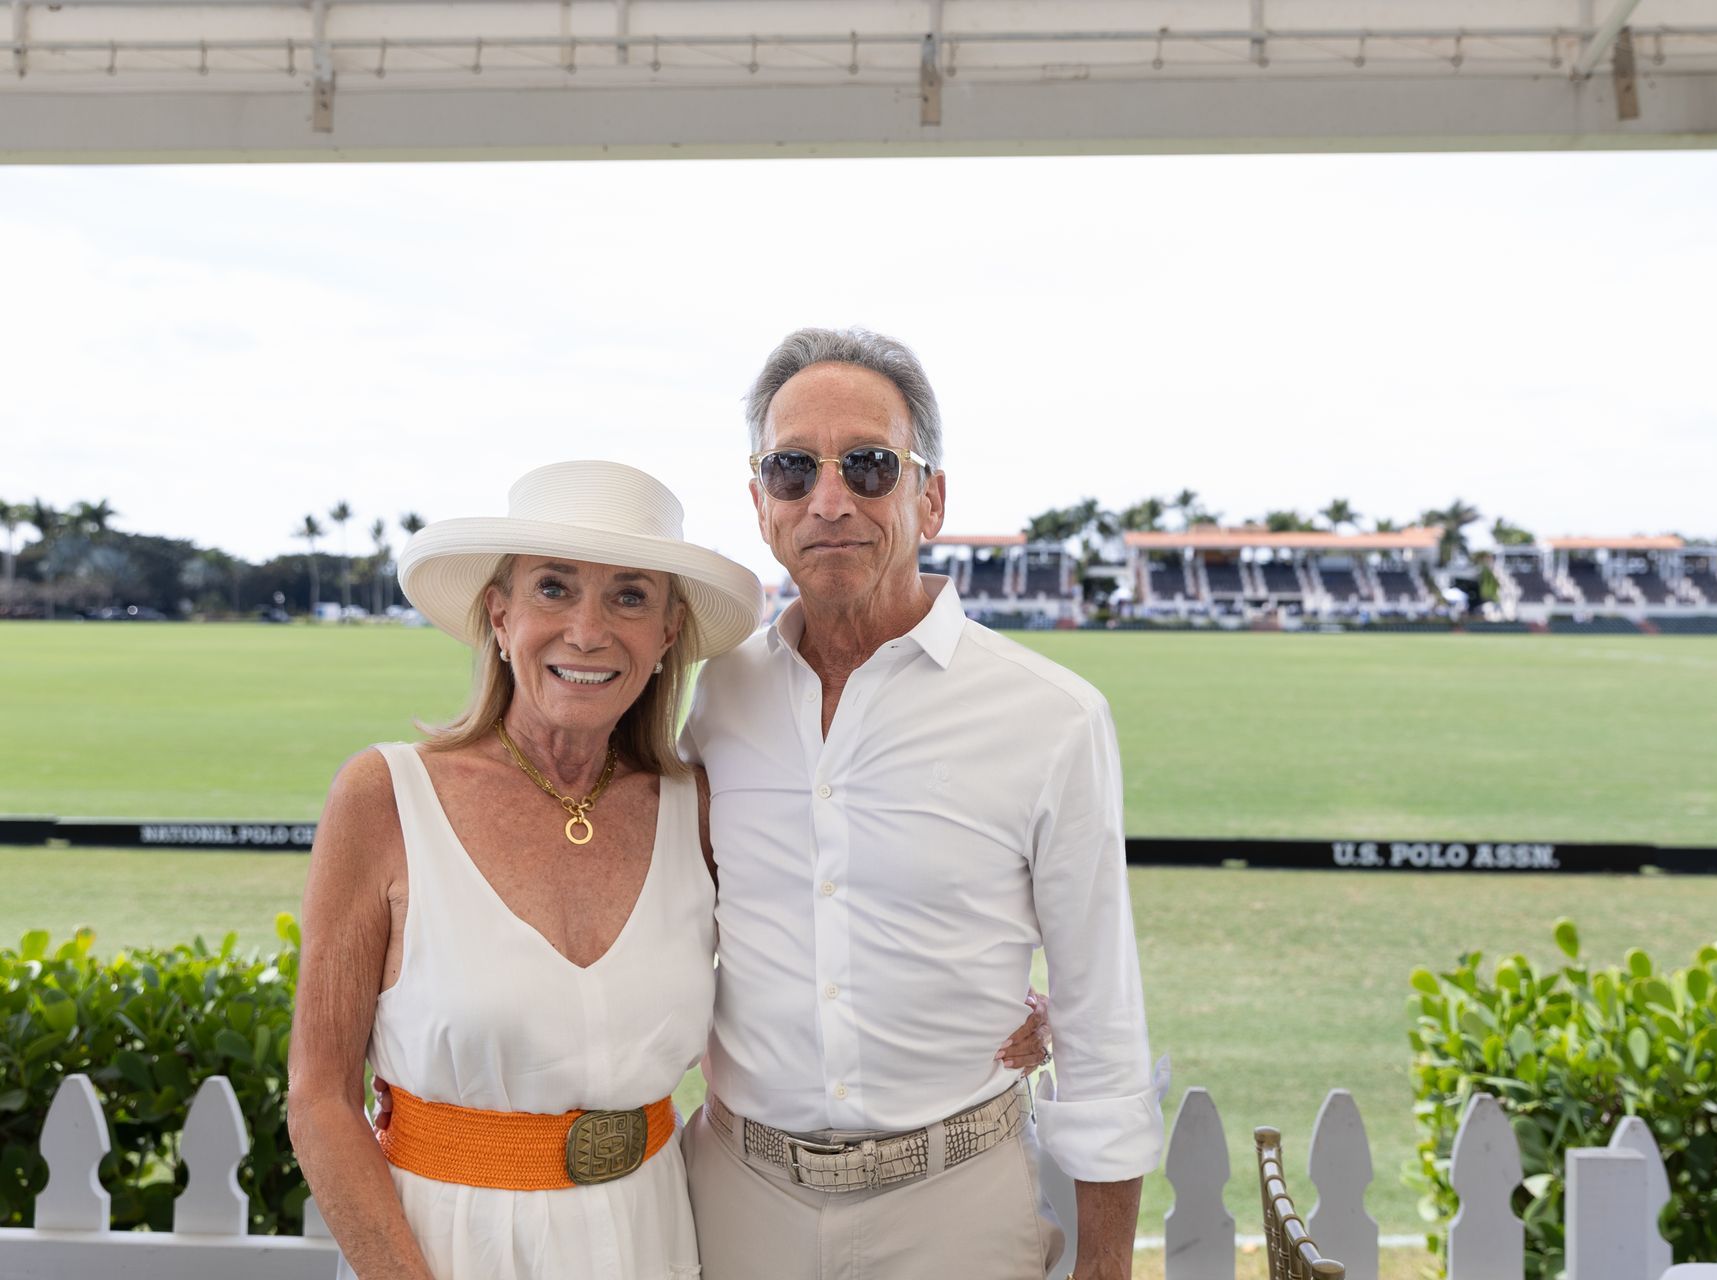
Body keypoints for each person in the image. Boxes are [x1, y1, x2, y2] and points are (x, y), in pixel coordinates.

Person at [286, 459, 1056, 1280]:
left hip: (652, 1238)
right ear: (498, 615)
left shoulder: (696, 810)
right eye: (553, 588)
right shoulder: (386, 797)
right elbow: (320, 1100)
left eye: (628, 595)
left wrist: (991, 1004)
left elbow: (827, 933)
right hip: (445, 1243)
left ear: (665, 636)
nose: (588, 629)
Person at [681, 328, 1163, 1280]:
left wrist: (1104, 1268)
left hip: (956, 1207)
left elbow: (1102, 1021)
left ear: (929, 496)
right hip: (737, 1199)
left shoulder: (1052, 718)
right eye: (792, 469)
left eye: (869, 466)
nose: (830, 500)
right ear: (759, 504)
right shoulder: (713, 699)